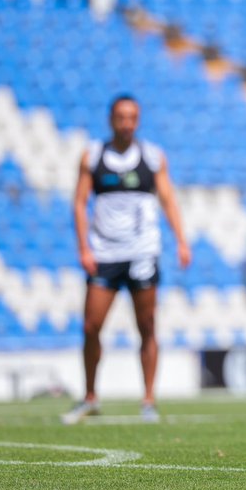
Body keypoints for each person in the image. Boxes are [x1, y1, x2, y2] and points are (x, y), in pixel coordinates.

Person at [64, 94, 190, 424]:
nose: (126, 123)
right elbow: (79, 203)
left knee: (147, 326)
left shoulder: (152, 156)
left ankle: (148, 399)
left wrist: (181, 240)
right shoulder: (93, 156)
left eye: (132, 117)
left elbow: (168, 199)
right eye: (121, 117)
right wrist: (84, 248)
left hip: (142, 251)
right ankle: (90, 396)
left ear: (138, 120)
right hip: (104, 253)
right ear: (111, 120)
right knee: (91, 326)